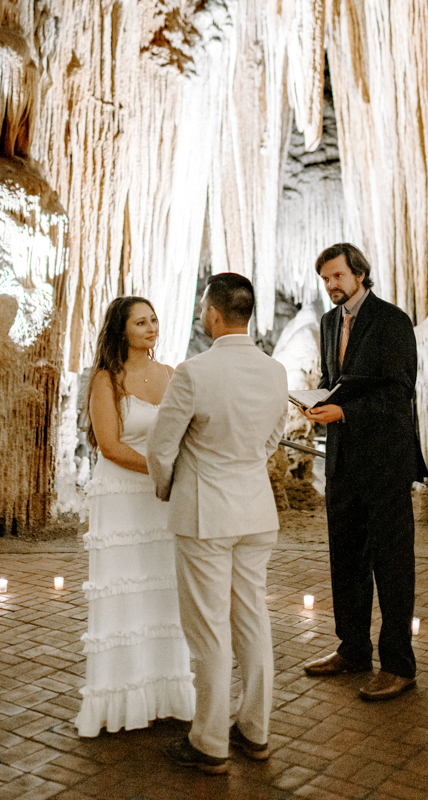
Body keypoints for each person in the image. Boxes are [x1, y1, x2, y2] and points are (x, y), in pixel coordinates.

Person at [147, 273, 288, 775]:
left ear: (213, 313)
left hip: (206, 514)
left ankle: (208, 742)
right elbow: (273, 437)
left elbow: (162, 448)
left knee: (208, 630)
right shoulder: (275, 372)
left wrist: (167, 488)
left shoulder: (194, 372)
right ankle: (255, 731)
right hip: (255, 511)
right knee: (252, 621)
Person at [303, 243, 428, 700]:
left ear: (358, 272)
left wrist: (345, 414)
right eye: (325, 279)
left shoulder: (392, 321)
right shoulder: (328, 322)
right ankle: (352, 648)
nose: (331, 285)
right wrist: (316, 400)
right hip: (342, 463)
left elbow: (399, 393)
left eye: (337, 276)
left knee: (392, 565)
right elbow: (337, 381)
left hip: (385, 462)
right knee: (346, 558)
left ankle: (399, 664)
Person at [74, 296, 196, 737]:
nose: (151, 328)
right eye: (140, 322)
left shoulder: (171, 375)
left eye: (154, 320)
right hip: (124, 492)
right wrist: (161, 467)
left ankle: (165, 694)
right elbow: (109, 444)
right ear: (121, 330)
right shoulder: (106, 379)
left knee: (163, 589)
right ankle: (121, 697)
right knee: (126, 590)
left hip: (162, 496)